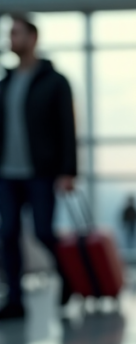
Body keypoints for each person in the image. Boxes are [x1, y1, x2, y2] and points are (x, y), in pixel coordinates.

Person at [0, 14, 77, 320]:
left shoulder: (55, 82)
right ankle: (15, 300)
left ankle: (68, 277)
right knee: (8, 234)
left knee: (44, 232)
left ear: (33, 38)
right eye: (10, 34)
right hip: (7, 173)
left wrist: (68, 170)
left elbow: (67, 128)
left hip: (41, 172)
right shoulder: (5, 83)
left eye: (16, 33)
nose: (10, 39)